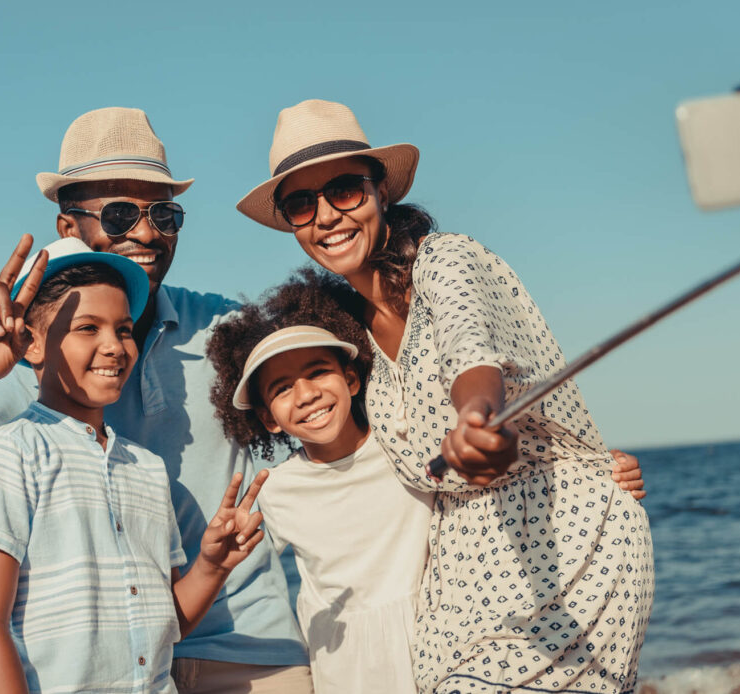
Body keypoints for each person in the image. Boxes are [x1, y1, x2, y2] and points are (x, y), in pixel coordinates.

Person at [0, 107, 312, 693]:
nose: (149, 232)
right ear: (66, 226)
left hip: (251, 651)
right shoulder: (24, 361)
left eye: (165, 214)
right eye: (122, 214)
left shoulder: (227, 330)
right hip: (86, 669)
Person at [235, 100, 654, 693]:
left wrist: (479, 421)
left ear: (381, 189)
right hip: (458, 580)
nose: (326, 215)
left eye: (345, 190)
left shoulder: (445, 261)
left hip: (559, 545)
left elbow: (473, 356)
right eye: (302, 203)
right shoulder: (350, 334)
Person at [0, 238, 268, 693]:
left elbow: (162, 624)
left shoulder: (147, 470)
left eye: (123, 329)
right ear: (33, 345)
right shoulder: (6, 455)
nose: (114, 346)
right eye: (87, 328)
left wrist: (213, 567)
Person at [204, 270, 431, 694]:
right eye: (283, 387)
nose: (306, 394)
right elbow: (243, 569)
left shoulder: (405, 444)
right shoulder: (275, 490)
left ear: (351, 378)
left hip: (434, 641)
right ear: (269, 418)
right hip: (344, 665)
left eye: (318, 372)